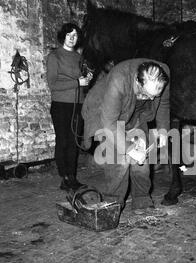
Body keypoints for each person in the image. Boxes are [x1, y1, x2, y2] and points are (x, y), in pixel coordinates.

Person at [82, 59, 170, 213]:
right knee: (119, 160)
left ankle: (142, 200)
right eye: (146, 94)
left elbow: (163, 102)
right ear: (137, 81)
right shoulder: (119, 80)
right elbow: (109, 123)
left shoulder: (165, 73)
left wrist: (163, 129)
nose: (151, 99)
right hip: (107, 113)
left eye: (154, 95)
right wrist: (129, 148)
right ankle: (113, 203)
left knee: (142, 159)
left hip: (136, 113)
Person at [46, 23, 93, 191]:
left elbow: (83, 83)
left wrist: (87, 79)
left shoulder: (79, 58)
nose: (72, 38)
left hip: (77, 104)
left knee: (74, 141)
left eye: (75, 35)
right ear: (62, 36)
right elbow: (52, 84)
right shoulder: (54, 56)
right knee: (63, 140)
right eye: (69, 35)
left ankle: (72, 177)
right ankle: (64, 177)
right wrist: (77, 82)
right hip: (61, 105)